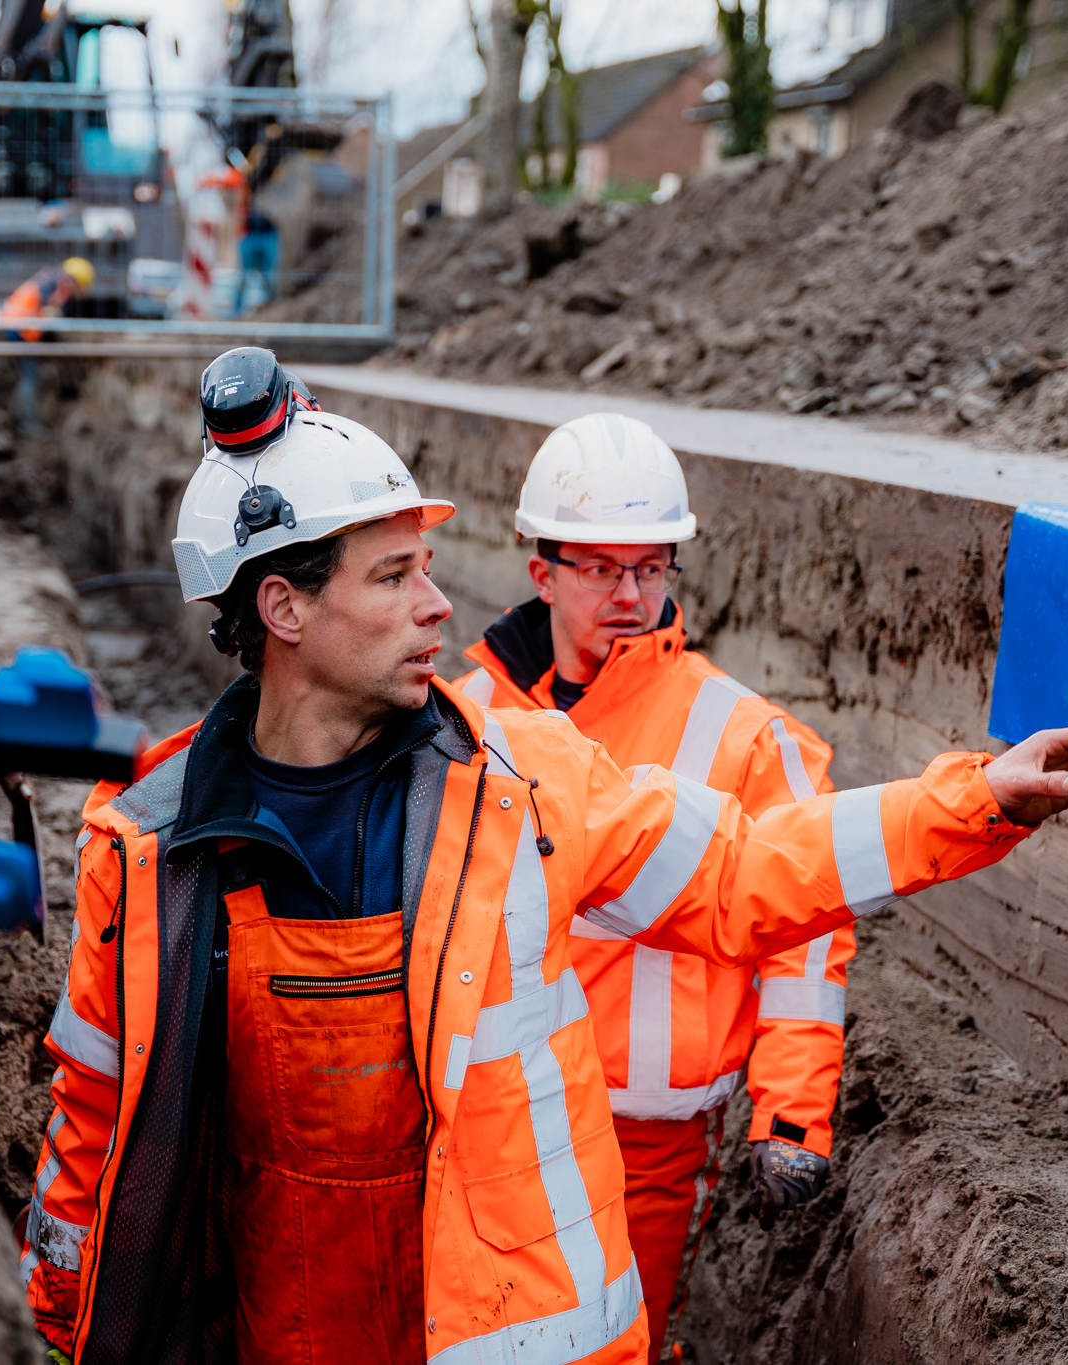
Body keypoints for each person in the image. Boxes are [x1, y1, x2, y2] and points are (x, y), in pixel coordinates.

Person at [22, 351, 1068, 1364]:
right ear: (281, 606)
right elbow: (92, 1128)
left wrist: (973, 798)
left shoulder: (513, 781)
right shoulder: (148, 848)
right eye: (391, 576)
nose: (435, 603)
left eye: (426, 567)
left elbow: (746, 871)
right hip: (276, 1318)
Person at [453, 413, 847, 1360]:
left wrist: (793, 1107)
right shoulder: (462, 718)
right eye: (599, 567)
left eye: (651, 566)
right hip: (486, 1115)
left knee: (613, 1341)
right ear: (541, 570)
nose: (629, 593)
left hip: (651, 1141)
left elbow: (808, 930)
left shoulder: (745, 734)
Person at [1, 255, 94, 433]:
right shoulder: (55, 284)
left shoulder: (50, 279)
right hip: (19, 330)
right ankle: (26, 423)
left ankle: (16, 420)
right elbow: (47, 314)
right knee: (30, 377)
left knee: (26, 376)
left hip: (16, 328)